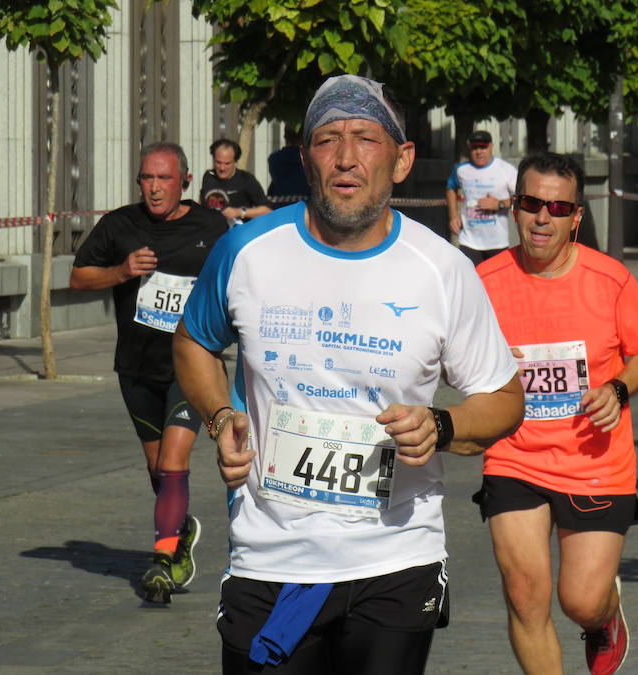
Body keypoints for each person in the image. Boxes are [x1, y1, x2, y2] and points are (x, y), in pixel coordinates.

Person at [173, 74, 525, 674]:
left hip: (394, 557)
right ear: (304, 156)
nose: (345, 157)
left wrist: (441, 423)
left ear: (401, 159)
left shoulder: (441, 269)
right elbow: (192, 343)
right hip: (271, 558)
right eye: (326, 139)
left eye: (365, 138)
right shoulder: (246, 252)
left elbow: (503, 398)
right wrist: (222, 416)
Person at [474, 152, 638, 675]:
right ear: (515, 208)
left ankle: (603, 618)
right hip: (514, 457)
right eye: (533, 203)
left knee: (579, 599)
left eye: (558, 207)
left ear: (576, 216)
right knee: (524, 594)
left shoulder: (610, 279)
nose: (544, 217)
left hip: (594, 460)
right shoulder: (482, 282)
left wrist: (618, 389)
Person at [70, 142, 227, 602]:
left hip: (190, 366)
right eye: (146, 179)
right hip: (136, 368)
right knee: (158, 468)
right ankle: (178, 531)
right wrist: (121, 270)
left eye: (163, 179)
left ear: (185, 182)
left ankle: (161, 560)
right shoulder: (119, 225)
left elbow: (235, 281)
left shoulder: (211, 228)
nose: (154, 188)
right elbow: (79, 278)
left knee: (175, 461)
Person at [445, 130, 518, 265]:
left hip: (497, 242)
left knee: (495, 285)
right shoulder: (461, 169)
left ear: (491, 146)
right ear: (469, 148)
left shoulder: (506, 170)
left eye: (483, 147)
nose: (479, 152)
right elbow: (450, 188)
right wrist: (453, 216)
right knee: (470, 284)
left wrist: (499, 204)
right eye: (475, 148)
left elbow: (522, 198)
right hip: (469, 242)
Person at [200, 139, 272, 225]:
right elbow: (202, 201)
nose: (222, 168)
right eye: (218, 163)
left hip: (237, 233)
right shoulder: (208, 176)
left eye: (227, 164)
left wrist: (239, 212)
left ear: (235, 161)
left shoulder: (246, 179)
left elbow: (267, 211)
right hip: (211, 233)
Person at [267, 126, 311, 203]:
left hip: (279, 203)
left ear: (285, 137)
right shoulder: (308, 158)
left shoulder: (273, 158)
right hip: (305, 204)